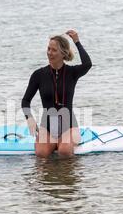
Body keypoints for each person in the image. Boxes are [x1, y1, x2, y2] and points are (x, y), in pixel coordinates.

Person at [21, 30, 92, 158]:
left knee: (64, 152)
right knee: (41, 154)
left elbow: (88, 64)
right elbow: (25, 100)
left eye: (54, 50)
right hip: (47, 127)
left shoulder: (72, 73)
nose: (49, 53)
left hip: (69, 126)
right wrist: (29, 118)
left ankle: (66, 175)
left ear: (63, 53)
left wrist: (77, 41)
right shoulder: (39, 75)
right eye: (48, 49)